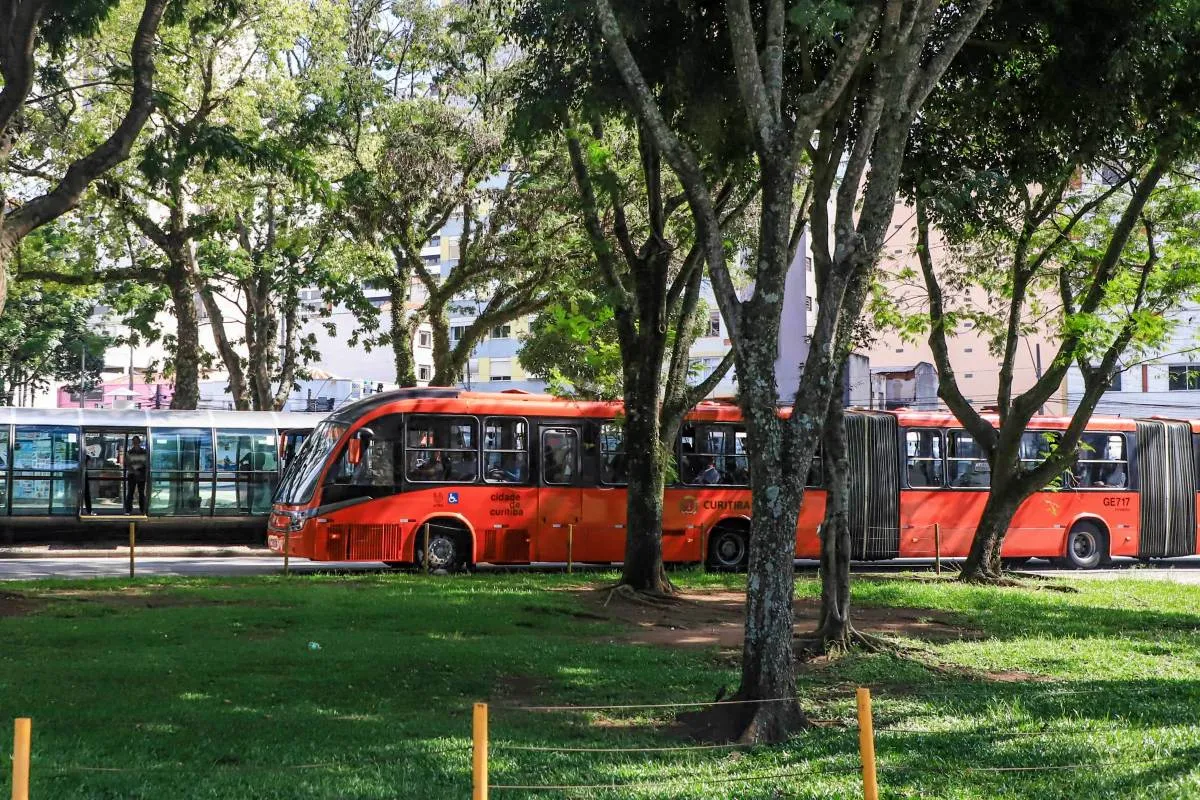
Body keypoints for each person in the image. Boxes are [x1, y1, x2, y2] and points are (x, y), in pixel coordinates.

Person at [124, 435, 148, 514]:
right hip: (133, 475)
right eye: (134, 442)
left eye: (136, 441)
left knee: (141, 493)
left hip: (140, 475)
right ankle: (128, 510)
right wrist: (135, 471)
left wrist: (137, 470)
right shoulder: (130, 452)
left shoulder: (144, 452)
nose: (135, 443)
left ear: (139, 442)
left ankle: (142, 509)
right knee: (131, 493)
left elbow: (146, 464)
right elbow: (127, 464)